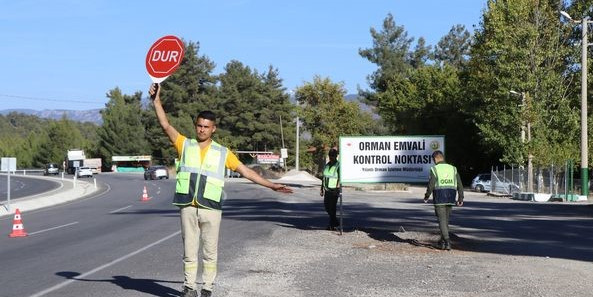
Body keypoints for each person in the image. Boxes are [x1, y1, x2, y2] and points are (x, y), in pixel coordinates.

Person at [149, 83, 293, 297]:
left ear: (213, 128)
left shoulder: (222, 152)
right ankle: (189, 288)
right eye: (199, 126)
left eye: (206, 127)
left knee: (210, 252)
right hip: (188, 206)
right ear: (196, 126)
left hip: (211, 209)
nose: (201, 129)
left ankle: (206, 288)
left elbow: (246, 171)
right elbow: (165, 125)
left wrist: (272, 185)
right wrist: (156, 101)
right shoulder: (184, 144)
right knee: (189, 252)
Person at [423, 150, 464, 250]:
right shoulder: (453, 168)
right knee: (445, 221)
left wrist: (426, 196)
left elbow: (431, 184)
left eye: (433, 160)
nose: (433, 162)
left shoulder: (435, 169)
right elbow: (460, 184)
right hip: (451, 196)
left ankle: (447, 241)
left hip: (439, 197)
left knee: (441, 221)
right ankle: (442, 242)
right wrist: (460, 198)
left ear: (436, 158)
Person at [320, 148, 340, 230]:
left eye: (333, 156)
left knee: (332, 208)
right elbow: (324, 177)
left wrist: (338, 186)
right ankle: (335, 221)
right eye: (330, 156)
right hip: (327, 189)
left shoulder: (338, 165)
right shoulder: (327, 165)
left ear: (336, 156)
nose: (331, 157)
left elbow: (340, 177)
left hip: (334, 189)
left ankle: (332, 225)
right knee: (327, 207)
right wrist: (321, 188)